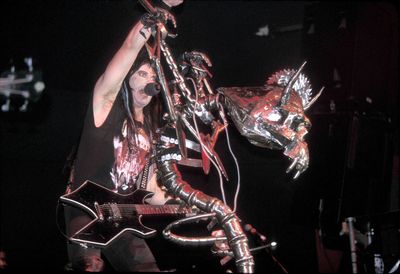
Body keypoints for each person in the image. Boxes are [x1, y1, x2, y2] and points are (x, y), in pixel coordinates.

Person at [64, 0, 184, 271]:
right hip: (87, 210)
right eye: (141, 73)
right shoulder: (106, 104)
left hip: (124, 218)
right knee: (89, 266)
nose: (148, 81)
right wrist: (157, 11)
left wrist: (193, 205)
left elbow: (152, 190)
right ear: (128, 78)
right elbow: (129, 47)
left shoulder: (151, 135)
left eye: (153, 77)